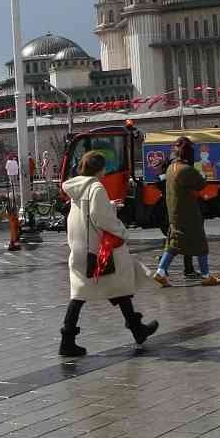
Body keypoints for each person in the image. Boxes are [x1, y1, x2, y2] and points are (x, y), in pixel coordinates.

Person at [58, 151, 160, 356]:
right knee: (119, 279)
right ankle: (136, 328)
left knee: (88, 291)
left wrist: (109, 206)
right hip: (97, 250)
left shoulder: (77, 188)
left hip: (80, 249)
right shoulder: (96, 187)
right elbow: (100, 218)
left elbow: (88, 213)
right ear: (100, 168)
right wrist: (121, 231)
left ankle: (69, 339)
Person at [154, 137, 220, 286]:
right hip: (188, 213)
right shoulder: (187, 170)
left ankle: (160, 272)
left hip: (174, 212)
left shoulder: (171, 168)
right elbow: (201, 184)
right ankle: (206, 276)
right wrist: (202, 174)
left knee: (173, 244)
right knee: (200, 243)